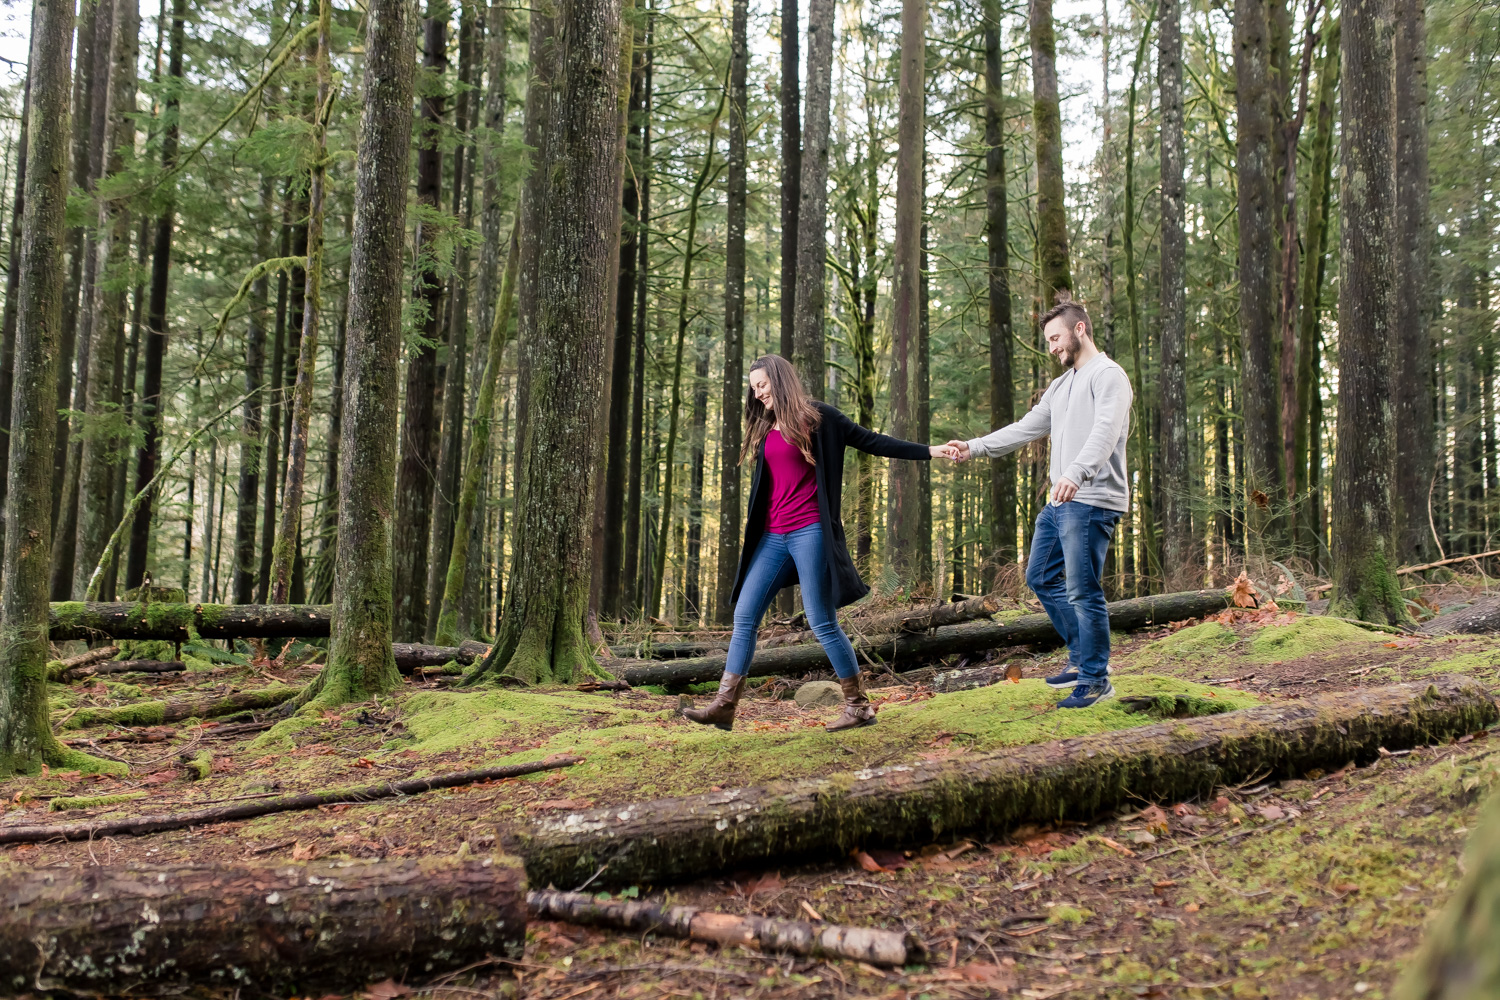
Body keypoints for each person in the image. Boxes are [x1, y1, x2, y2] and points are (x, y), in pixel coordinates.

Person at [683, 354, 957, 732]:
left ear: (778, 380)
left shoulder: (819, 418)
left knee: (822, 621)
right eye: (753, 388)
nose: (757, 393)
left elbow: (874, 442)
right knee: (744, 616)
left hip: (810, 530)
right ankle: (724, 706)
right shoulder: (766, 425)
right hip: (772, 537)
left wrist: (931, 450)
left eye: (762, 385)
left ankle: (858, 706)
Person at [948, 301, 1132, 709]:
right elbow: (1026, 427)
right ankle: (1083, 659)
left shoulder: (1109, 376)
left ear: (1079, 329)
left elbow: (1105, 432)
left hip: (1091, 498)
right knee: (1041, 576)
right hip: (1060, 500)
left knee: (1084, 590)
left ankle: (1096, 679)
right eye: (1047, 340)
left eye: (1055, 338)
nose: (1051, 347)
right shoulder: (1063, 385)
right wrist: (973, 447)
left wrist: (1076, 472)